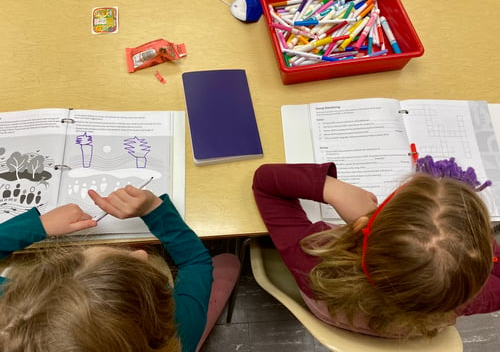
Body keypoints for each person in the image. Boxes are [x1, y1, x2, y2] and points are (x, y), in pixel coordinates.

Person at [252, 160, 500, 338]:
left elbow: (265, 182)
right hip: (402, 331)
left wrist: (334, 190)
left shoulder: (315, 260)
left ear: (363, 225)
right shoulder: (461, 294)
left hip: (331, 309)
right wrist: (475, 245)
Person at [0, 184, 224, 352]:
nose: (141, 254)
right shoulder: (179, 328)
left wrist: (37, 225)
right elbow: (196, 262)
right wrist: (154, 209)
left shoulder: (14, 317)